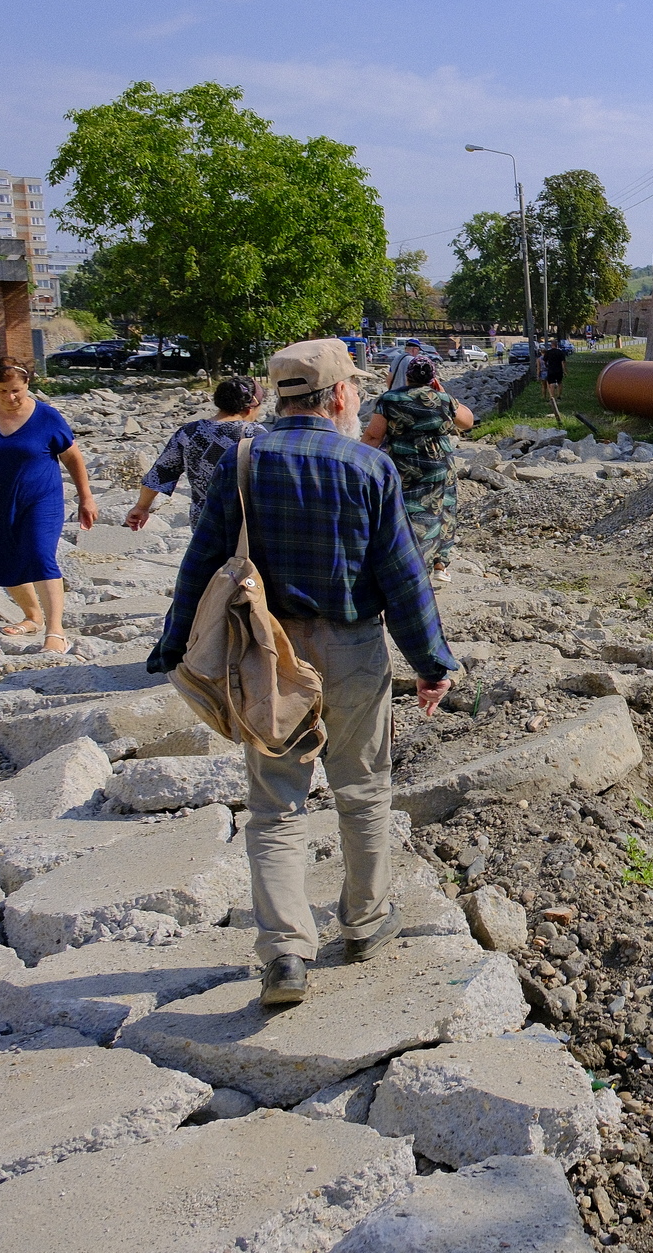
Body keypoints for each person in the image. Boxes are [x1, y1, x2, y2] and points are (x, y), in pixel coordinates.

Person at [152, 339, 456, 1008]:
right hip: (352, 650)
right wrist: (432, 663)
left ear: (279, 396)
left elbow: (202, 560)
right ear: (341, 396)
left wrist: (173, 643)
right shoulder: (369, 466)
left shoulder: (244, 459)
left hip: (266, 655)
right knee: (363, 789)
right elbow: (403, 580)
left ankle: (285, 954)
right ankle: (365, 921)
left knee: (274, 805)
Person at [0, 357, 98, 655]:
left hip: (41, 498)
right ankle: (32, 617)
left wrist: (86, 497)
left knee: (38, 554)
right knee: (3, 557)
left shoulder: (47, 416)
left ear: (27, 384)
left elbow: (72, 456)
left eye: (16, 390)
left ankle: (56, 631)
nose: (10, 397)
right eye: (1, 391)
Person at [363, 356, 474, 585]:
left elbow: (374, 435)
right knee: (442, 511)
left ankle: (408, 563)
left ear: (407, 375)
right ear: (433, 378)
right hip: (440, 466)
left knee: (407, 511)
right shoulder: (443, 399)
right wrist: (443, 391)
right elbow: (467, 422)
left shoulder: (390, 399)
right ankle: (440, 564)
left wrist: (358, 458)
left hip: (403, 464)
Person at [124, 375, 264, 531]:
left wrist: (141, 507)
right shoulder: (256, 433)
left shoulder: (189, 432)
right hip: (246, 523)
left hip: (203, 522)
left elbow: (159, 474)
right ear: (251, 406)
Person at [539, 336, 569, 408]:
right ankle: (559, 396)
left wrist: (547, 366)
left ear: (551, 345)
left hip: (551, 370)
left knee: (551, 384)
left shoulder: (548, 352)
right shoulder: (560, 352)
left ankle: (552, 397)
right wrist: (564, 370)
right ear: (557, 345)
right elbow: (563, 362)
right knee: (559, 382)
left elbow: (544, 361)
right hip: (559, 370)